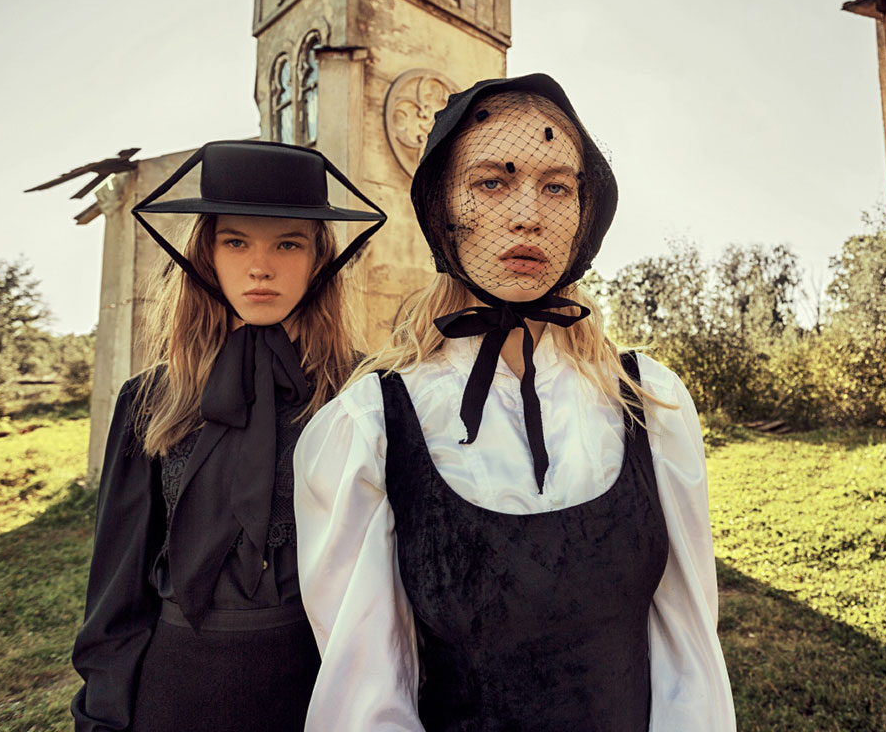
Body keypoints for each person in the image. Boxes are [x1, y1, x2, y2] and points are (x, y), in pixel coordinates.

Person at [294, 74, 736, 730]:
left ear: (585, 213)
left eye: (556, 187)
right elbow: (366, 697)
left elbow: (689, 657)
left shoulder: (649, 402)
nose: (529, 215)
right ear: (441, 208)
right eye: (491, 183)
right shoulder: (372, 427)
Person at [70, 140, 385, 732]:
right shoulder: (150, 399)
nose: (260, 267)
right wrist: (102, 718)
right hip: (174, 690)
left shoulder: (365, 396)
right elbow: (115, 590)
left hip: (318, 689)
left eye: (287, 244)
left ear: (319, 258)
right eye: (236, 242)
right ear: (206, 255)